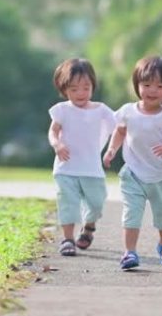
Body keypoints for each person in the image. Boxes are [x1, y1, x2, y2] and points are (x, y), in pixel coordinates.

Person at [102, 55, 162, 270]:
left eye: (160, 86)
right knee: (131, 215)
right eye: (146, 84)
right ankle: (129, 252)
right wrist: (112, 149)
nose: (152, 90)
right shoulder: (128, 112)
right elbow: (119, 132)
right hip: (133, 174)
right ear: (137, 85)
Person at [48, 58, 116, 256]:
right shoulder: (62, 110)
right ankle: (67, 239)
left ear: (93, 86)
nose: (80, 93)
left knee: (96, 203)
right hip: (66, 167)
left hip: (92, 168)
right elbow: (53, 131)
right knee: (67, 203)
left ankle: (88, 228)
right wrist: (57, 144)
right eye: (74, 89)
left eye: (86, 88)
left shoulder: (101, 110)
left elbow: (120, 126)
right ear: (64, 89)